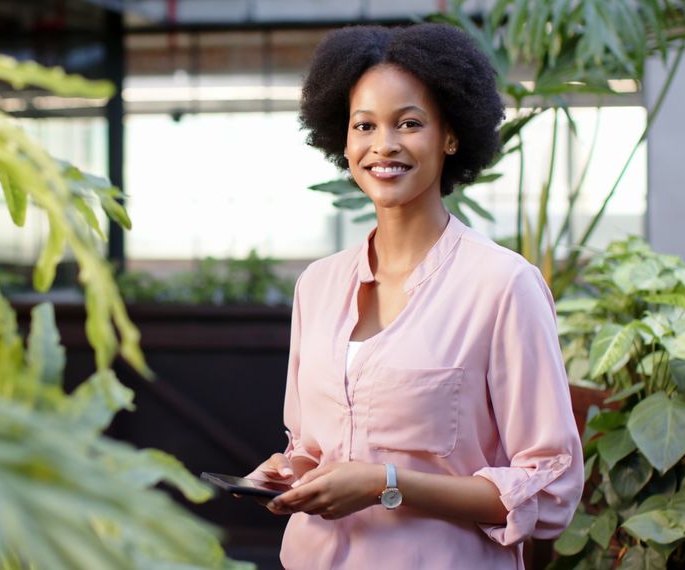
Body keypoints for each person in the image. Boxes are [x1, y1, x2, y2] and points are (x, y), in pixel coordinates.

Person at [249, 23, 584, 569]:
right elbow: (312, 444)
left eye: (409, 123)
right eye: (365, 125)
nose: (384, 145)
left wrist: (388, 484)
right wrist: (291, 472)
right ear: (344, 138)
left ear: (450, 136)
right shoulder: (318, 285)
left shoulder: (503, 286)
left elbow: (549, 490)